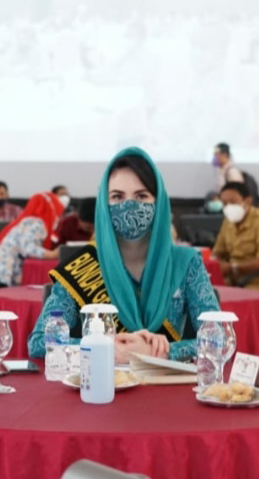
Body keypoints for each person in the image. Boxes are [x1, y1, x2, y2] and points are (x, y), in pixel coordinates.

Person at [28, 148, 220, 362]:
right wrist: (106, 348)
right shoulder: (82, 265)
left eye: (141, 196)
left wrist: (162, 352)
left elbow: (218, 341)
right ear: (104, 204)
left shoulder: (186, 262)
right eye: (117, 197)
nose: (129, 205)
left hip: (165, 387)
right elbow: (40, 342)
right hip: (101, 387)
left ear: (159, 202)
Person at [212, 182, 259, 296]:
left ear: (248, 201)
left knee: (227, 297)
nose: (228, 207)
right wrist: (215, 263)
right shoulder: (228, 222)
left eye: (233, 202)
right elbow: (217, 253)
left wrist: (233, 268)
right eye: (224, 203)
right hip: (235, 281)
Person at [0, 192, 64, 285]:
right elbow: (28, 248)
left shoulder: (27, 221)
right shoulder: (37, 223)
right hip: (2, 273)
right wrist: (52, 254)